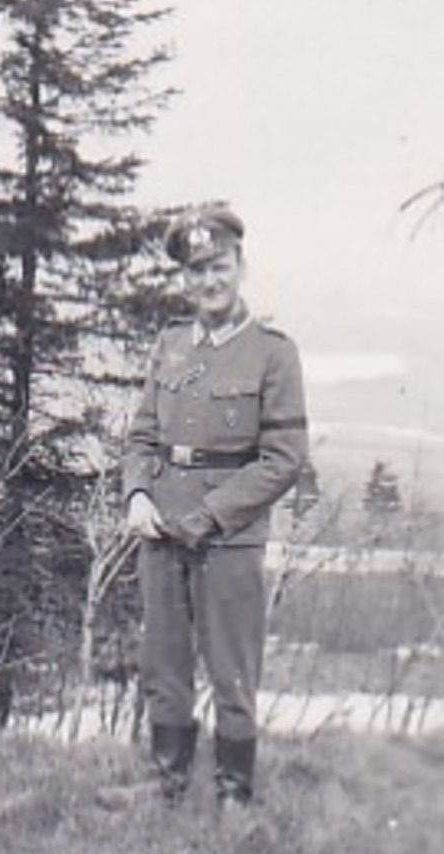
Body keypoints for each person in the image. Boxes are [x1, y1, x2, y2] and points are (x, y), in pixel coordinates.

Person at [118, 201, 308, 809]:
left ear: (241, 266)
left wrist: (210, 517)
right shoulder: (169, 346)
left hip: (231, 534)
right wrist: (138, 493)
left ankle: (233, 791)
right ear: (183, 279)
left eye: (218, 265)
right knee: (164, 661)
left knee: (232, 665)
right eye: (195, 270)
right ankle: (167, 779)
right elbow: (142, 437)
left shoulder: (274, 352)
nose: (208, 280)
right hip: (161, 528)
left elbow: (282, 458)